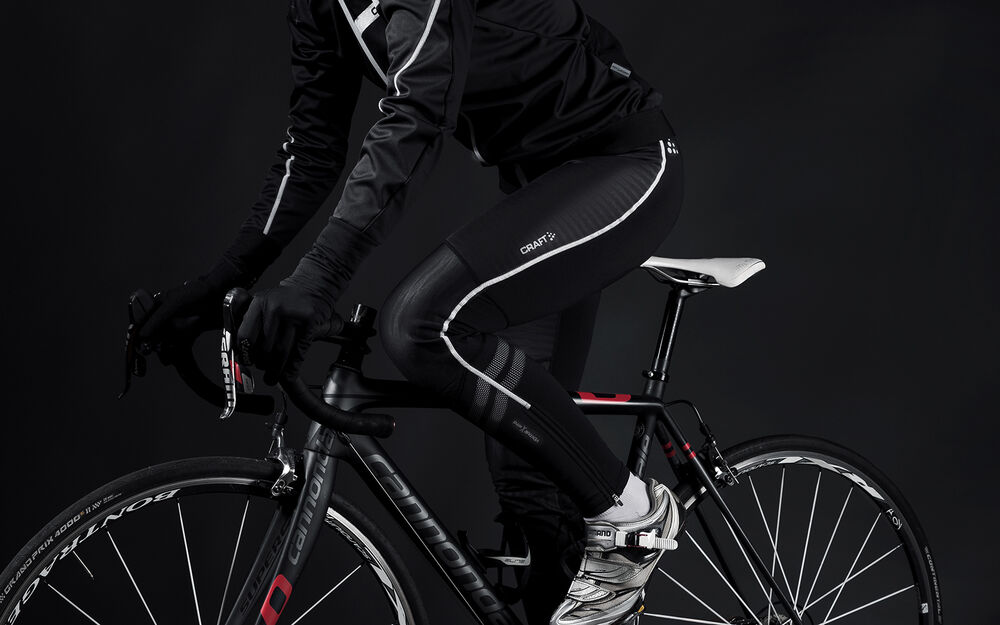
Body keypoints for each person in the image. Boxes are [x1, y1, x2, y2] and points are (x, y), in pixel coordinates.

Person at [139, 1, 684, 623]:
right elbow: (311, 150)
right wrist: (218, 283)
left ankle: (634, 513)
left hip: (623, 162)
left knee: (420, 326)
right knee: (529, 482)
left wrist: (317, 279)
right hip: (542, 185)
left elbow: (419, 113)